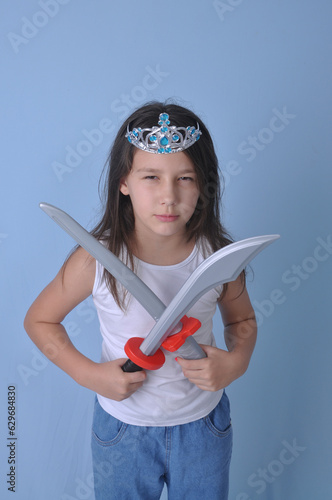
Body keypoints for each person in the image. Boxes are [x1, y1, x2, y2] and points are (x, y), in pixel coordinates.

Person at [24, 101, 257, 500]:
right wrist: (89, 375)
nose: (169, 196)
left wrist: (235, 363)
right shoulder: (94, 260)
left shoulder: (217, 258)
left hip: (203, 426)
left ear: (204, 185)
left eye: (185, 178)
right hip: (123, 430)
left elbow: (242, 322)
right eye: (151, 176)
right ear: (123, 182)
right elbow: (39, 321)